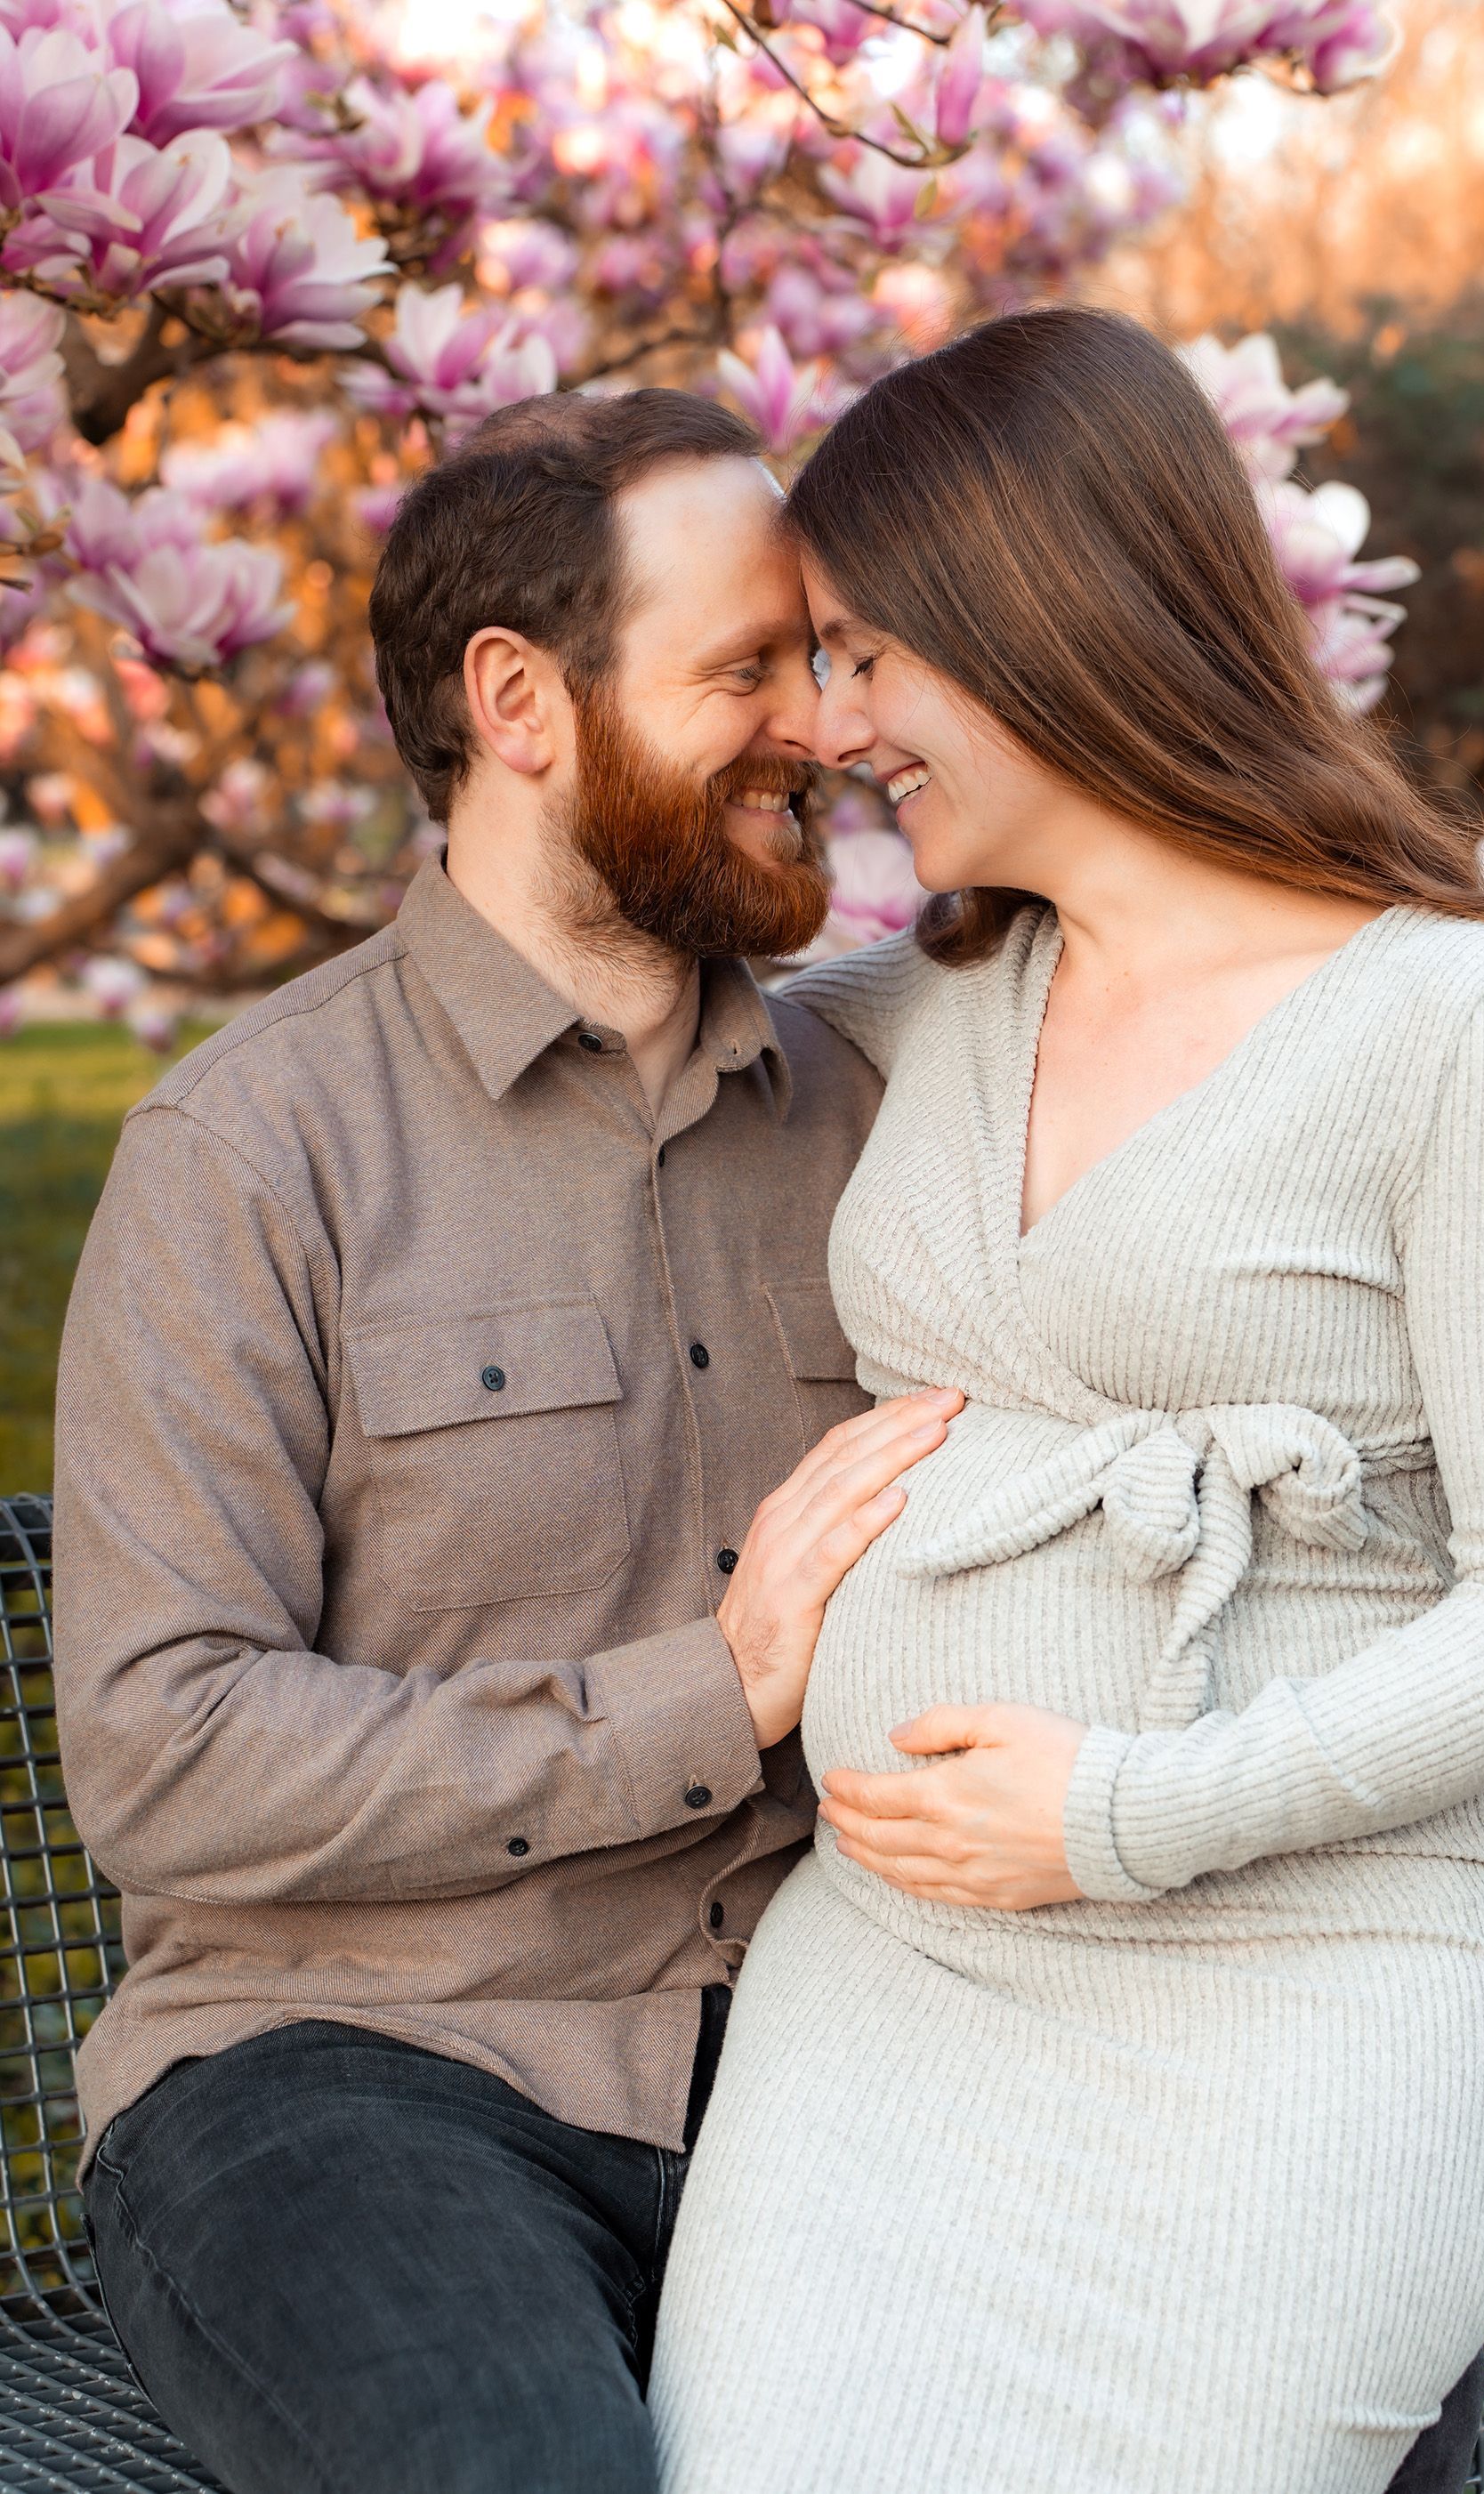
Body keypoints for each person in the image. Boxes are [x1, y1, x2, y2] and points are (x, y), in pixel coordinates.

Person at [648, 305, 1484, 2494]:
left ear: (1032, 610)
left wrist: (1122, 1814)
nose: (827, 728)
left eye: (858, 656)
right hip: (894, 1997)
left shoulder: (1444, 1021)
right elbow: (591, 1010)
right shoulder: (907, 1013)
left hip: (1308, 1983)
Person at [51, 386, 962, 2494]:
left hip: (840, 2050)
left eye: (816, 667)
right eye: (742, 670)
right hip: (349, 2076)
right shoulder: (251, 1147)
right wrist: (704, 1696)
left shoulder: (888, 1104)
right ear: (517, 701)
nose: (815, 733)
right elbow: (165, 1749)